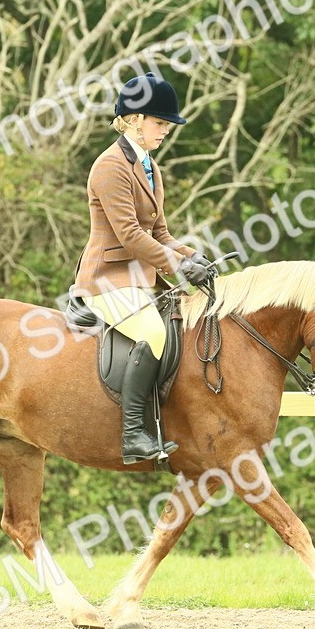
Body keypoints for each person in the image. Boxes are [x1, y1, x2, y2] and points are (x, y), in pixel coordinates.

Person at [72, 72, 213, 465]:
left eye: (166, 125)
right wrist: (180, 266)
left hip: (139, 280)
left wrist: (193, 256)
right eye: (160, 123)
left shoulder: (150, 166)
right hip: (106, 280)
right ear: (134, 118)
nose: (165, 131)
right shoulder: (110, 167)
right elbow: (132, 235)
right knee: (153, 331)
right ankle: (134, 433)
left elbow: (160, 232)